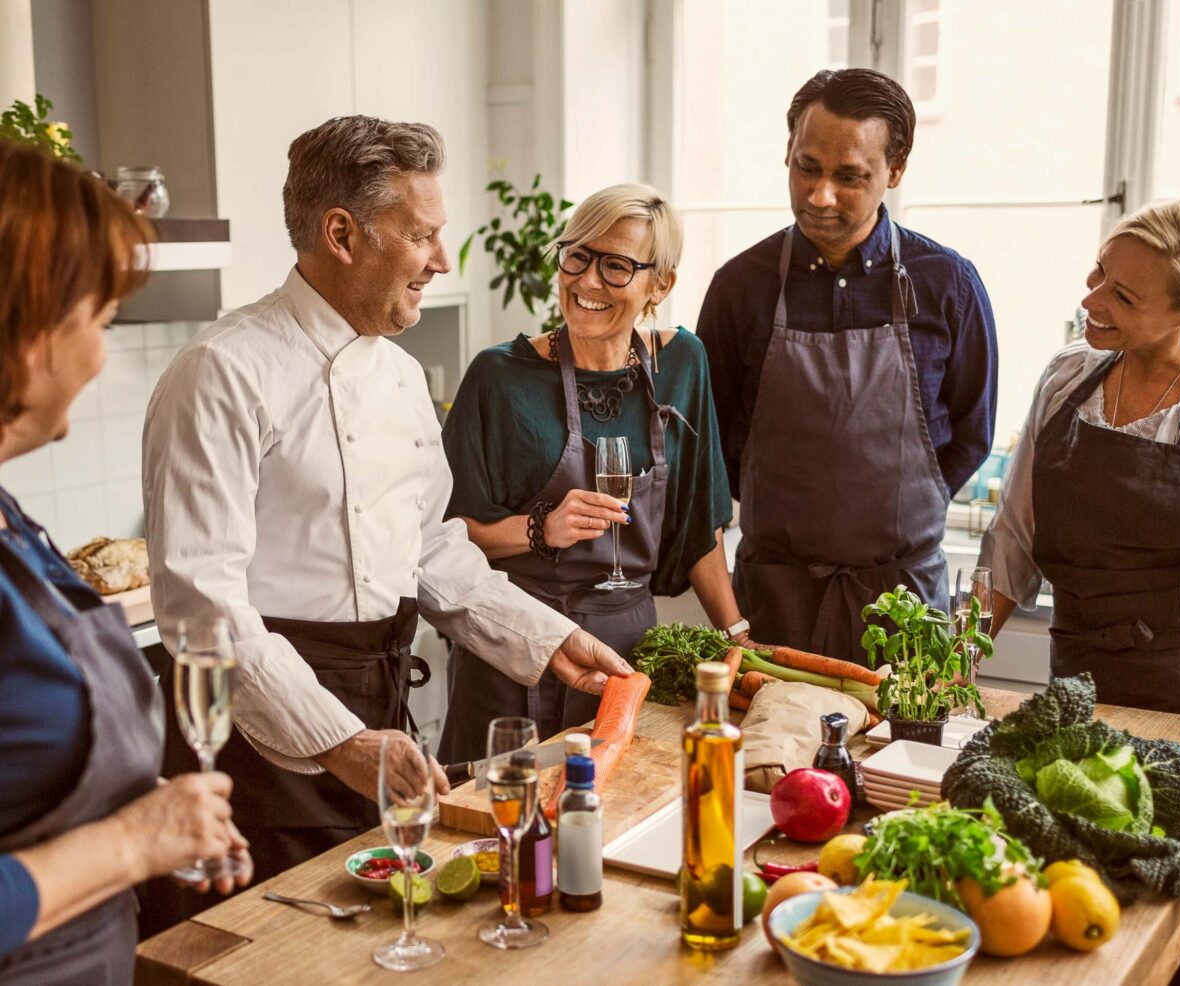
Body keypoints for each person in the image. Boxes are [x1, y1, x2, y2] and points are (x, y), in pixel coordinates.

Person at [141, 116, 629, 896]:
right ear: (342, 234)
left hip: (384, 704)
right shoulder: (220, 373)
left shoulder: (402, 378)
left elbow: (432, 551)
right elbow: (202, 608)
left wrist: (546, 639)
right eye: (421, 236)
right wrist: (336, 739)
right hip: (260, 734)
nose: (440, 260)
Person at [980, 198, 1180, 960]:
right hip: (1077, 708)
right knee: (1084, 935)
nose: (1091, 299)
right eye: (1099, 273)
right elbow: (1014, 541)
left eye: (1122, 296)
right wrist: (948, 660)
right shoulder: (1070, 377)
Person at [0, 142, 249, 982]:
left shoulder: (11, 522)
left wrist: (153, 819)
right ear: (30, 330)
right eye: (99, 322)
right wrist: (134, 839)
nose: (103, 357)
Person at [697, 68, 997, 665]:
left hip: (905, 608)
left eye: (849, 177)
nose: (819, 195)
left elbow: (971, 433)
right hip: (772, 606)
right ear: (788, 150)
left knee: (903, 758)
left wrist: (895, 520)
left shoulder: (949, 284)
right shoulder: (739, 288)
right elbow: (709, 449)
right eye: (806, 167)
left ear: (896, 169)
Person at [437, 184, 741, 762]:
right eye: (577, 255)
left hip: (628, 654)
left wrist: (736, 633)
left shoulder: (683, 364)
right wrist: (539, 529)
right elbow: (444, 538)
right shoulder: (498, 377)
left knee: (615, 816)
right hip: (512, 650)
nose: (587, 281)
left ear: (661, 284)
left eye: (617, 266)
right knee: (492, 833)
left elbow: (702, 523)